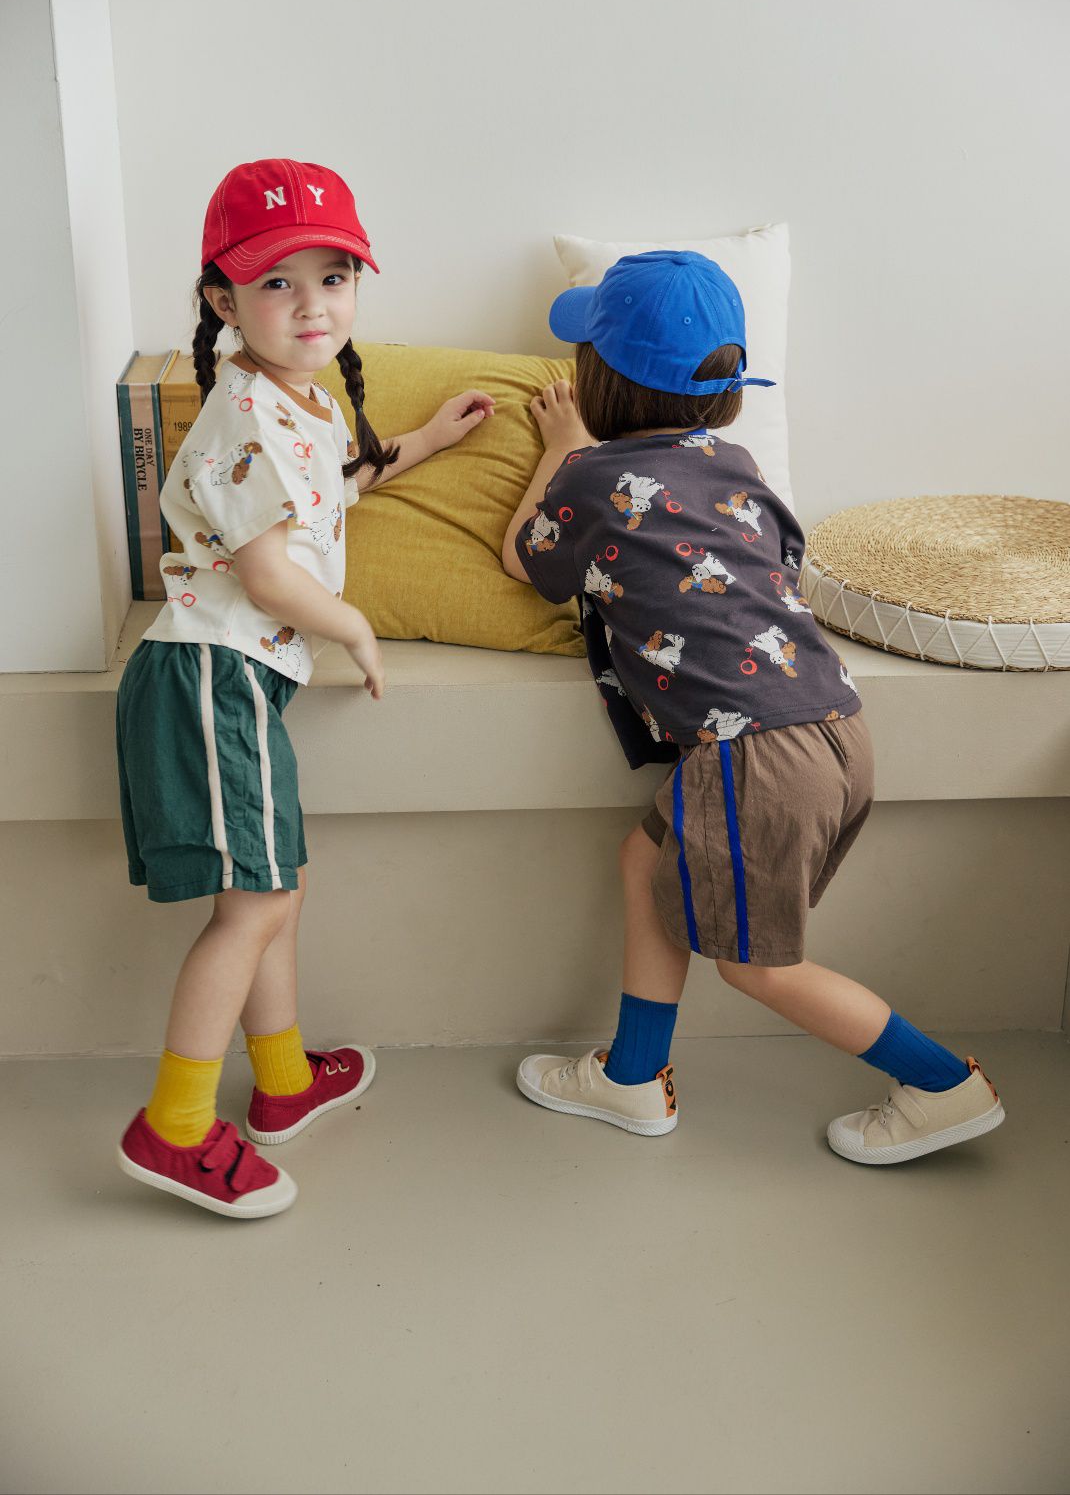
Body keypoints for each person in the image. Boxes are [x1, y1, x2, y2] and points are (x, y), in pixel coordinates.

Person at [502, 250, 1004, 1164]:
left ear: (600, 381)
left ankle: (944, 1084)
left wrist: (560, 448)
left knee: (757, 966)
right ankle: (632, 1075)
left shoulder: (591, 477)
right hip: (834, 725)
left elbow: (529, 563)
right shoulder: (737, 463)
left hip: (754, 757)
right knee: (645, 858)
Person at [116, 159, 494, 1217]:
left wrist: (428, 441)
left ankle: (281, 1082)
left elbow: (330, 494)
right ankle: (173, 1126)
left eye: (333, 276)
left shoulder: (304, 400)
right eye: (276, 282)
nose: (312, 303)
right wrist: (355, 629)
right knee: (257, 903)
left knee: (277, 890)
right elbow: (270, 573)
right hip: (210, 673)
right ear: (222, 300)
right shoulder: (243, 409)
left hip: (239, 678)